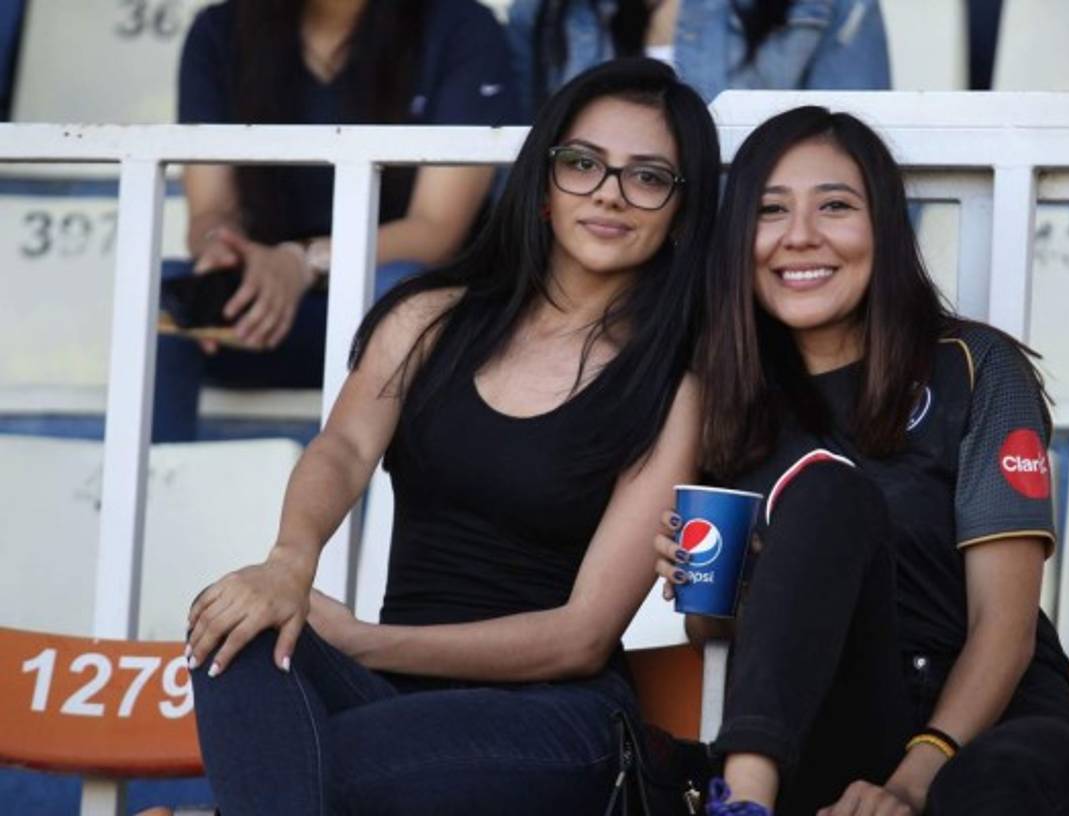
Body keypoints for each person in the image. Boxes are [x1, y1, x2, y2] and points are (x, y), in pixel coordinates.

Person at [184, 58, 721, 814]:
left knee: (307, 766)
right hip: (389, 694)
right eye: (583, 164)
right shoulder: (429, 319)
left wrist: (366, 641)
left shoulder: (672, 384)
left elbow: (581, 636)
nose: (609, 192)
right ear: (542, 185)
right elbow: (341, 449)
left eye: (649, 176)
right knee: (233, 622)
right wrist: (287, 566)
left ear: (679, 213)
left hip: (554, 717)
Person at [653, 106, 1069, 815]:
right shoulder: (727, 396)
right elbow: (713, 632)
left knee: (998, 782)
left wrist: (910, 782)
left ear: (886, 229)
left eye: (835, 206)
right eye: (770, 211)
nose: (800, 235)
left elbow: (1006, 625)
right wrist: (712, 581)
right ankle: (740, 802)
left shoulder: (973, 366)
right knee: (826, 496)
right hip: (832, 725)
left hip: (991, 726)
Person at [154, 0, 520, 441]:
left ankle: (365, 508)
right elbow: (211, 209)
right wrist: (222, 248)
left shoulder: (460, 26)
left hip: (413, 318)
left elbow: (436, 231)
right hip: (273, 314)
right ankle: (156, 497)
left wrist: (301, 262)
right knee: (164, 297)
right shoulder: (219, 31)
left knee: (400, 294)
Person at [507, 0, 892, 114]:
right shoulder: (543, 12)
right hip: (604, 286)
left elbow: (869, 168)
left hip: (751, 281)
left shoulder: (829, 6)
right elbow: (518, 173)